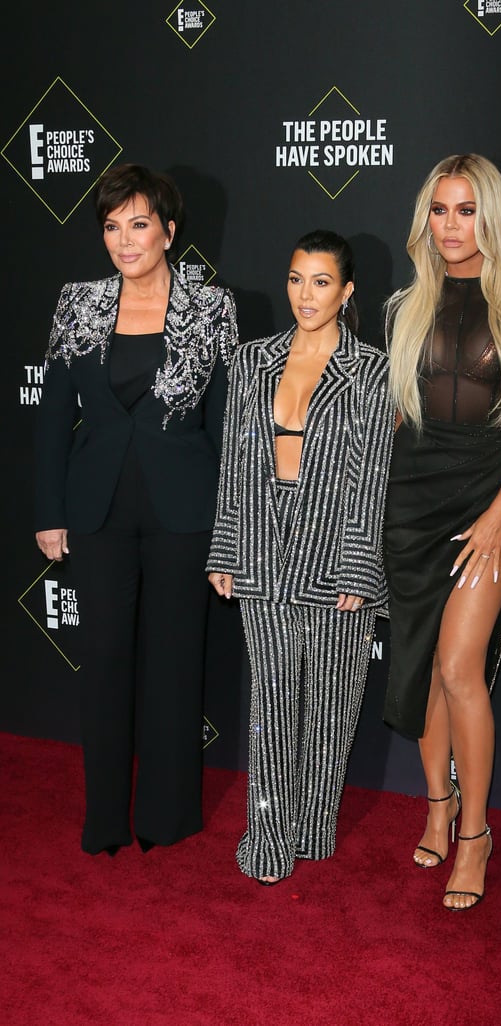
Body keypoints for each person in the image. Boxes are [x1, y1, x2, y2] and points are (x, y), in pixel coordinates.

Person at [34, 163, 239, 856]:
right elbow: (53, 417)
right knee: (104, 660)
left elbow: (228, 429)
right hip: (96, 512)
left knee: (176, 664)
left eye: (140, 224)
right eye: (112, 227)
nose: (125, 240)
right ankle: (105, 821)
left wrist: (229, 532)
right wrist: (48, 510)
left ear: (170, 230)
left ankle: (168, 814)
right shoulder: (77, 303)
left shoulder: (211, 309)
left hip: (184, 511)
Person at [383, 154, 501, 910]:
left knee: (460, 668)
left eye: (466, 210)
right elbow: (395, 423)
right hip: (411, 506)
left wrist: (498, 517)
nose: (452, 226)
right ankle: (436, 804)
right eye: (439, 209)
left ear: (492, 215)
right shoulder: (403, 306)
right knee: (425, 666)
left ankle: (477, 834)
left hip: (487, 501)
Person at [207, 230, 394, 885]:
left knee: (335, 701)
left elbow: (370, 475)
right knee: (273, 698)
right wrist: (227, 546)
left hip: (334, 544)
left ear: (346, 292)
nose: (305, 295)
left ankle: (312, 826)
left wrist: (360, 564)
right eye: (295, 279)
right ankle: (267, 835)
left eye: (320, 282)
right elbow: (234, 459)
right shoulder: (251, 360)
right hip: (262, 540)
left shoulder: (372, 370)